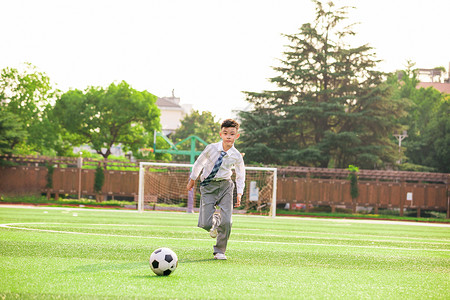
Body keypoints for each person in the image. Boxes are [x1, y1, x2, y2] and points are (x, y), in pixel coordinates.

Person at [186, 119, 245, 260]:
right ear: (221, 134)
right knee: (205, 224)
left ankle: (220, 251)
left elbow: (241, 174)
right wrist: (192, 179)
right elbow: (199, 163)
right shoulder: (211, 148)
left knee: (228, 222)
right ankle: (215, 222)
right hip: (208, 185)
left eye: (232, 134)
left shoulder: (236, 155)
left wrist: (240, 192)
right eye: (225, 133)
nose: (228, 136)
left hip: (226, 186)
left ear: (236, 136)